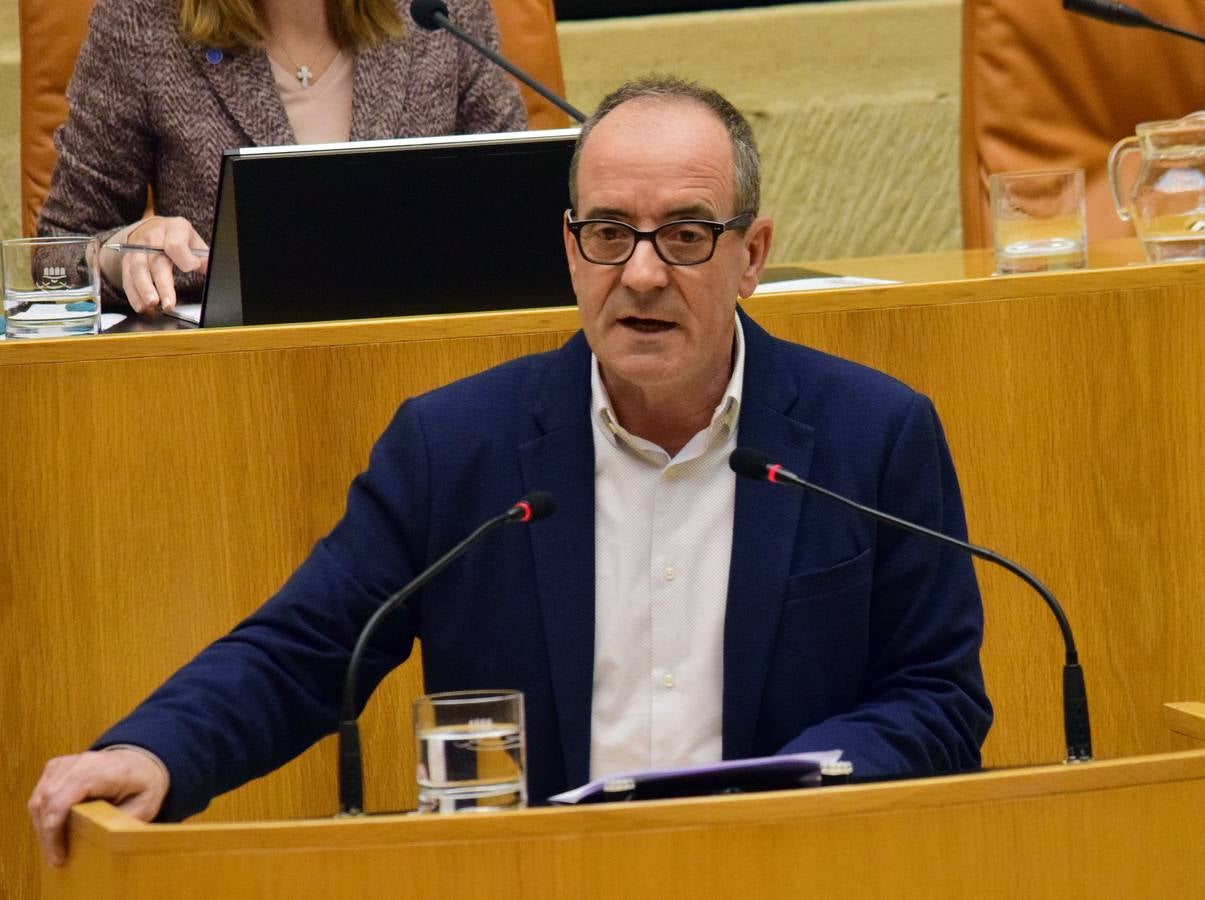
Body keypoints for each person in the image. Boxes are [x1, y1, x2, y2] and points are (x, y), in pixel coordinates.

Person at [29, 76, 992, 866]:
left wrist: (788, 796)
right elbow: (309, 645)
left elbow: (939, 696)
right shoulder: (459, 447)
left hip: (788, 875)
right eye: (608, 234)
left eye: (687, 236)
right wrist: (152, 747)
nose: (643, 274)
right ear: (569, 251)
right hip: (534, 879)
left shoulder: (872, 436)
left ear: (753, 256)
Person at [37, 0, 526, 314]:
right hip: (238, 379)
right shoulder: (143, 21)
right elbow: (50, 259)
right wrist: (123, 254)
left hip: (430, 360)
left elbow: (524, 201)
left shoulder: (439, 10)